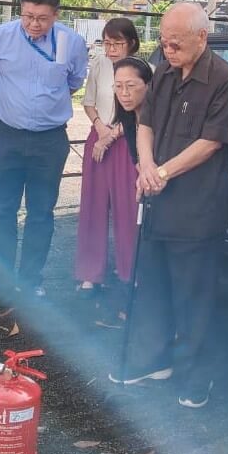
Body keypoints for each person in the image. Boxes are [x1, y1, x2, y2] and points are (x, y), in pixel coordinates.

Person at [108, 2, 228, 411]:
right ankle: (153, 360)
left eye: (177, 43)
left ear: (203, 37)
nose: (169, 49)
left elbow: (211, 141)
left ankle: (198, 376)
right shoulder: (163, 70)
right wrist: (145, 165)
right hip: (158, 200)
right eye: (164, 41)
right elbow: (145, 122)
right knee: (154, 285)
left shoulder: (224, 78)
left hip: (198, 208)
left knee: (194, 296)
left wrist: (161, 173)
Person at [0, 0, 89, 298]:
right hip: (6, 136)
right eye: (27, 16)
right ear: (20, 10)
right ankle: (0, 282)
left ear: (56, 14)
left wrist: (43, 108)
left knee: (41, 212)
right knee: (1, 211)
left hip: (50, 141)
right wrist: (16, 106)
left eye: (42, 18)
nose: (34, 24)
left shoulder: (71, 42)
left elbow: (73, 82)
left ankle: (30, 280)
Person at [76, 18, 141, 293]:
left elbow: (140, 112)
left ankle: (130, 270)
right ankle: (90, 271)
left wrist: (112, 135)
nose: (111, 50)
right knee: (93, 205)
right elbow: (89, 102)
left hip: (127, 141)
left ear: (132, 44)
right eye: (107, 43)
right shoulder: (100, 66)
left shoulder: (142, 69)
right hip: (98, 135)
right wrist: (99, 128)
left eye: (118, 44)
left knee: (128, 208)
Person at [96, 55, 156, 328]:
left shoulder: (156, 115)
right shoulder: (129, 118)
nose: (124, 93)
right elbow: (136, 155)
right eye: (118, 87)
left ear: (148, 84)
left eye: (131, 86)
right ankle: (138, 299)